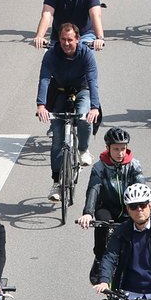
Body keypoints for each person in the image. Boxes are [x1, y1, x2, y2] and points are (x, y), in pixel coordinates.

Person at [37, 23, 103, 201]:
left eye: (70, 40)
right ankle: (57, 183)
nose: (66, 44)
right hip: (59, 91)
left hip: (83, 90)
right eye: (63, 40)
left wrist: (94, 107)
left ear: (78, 39)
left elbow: (92, 80)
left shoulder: (86, 54)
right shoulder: (52, 54)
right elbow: (44, 78)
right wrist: (41, 105)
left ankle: (83, 150)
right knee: (57, 141)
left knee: (83, 117)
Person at [77, 130, 146, 280]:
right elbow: (93, 189)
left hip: (129, 208)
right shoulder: (99, 167)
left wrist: (148, 214)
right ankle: (99, 259)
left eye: (123, 148)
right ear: (107, 148)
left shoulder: (134, 165)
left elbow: (142, 190)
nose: (120, 153)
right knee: (102, 223)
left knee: (140, 232)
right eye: (116, 149)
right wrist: (88, 212)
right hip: (107, 207)